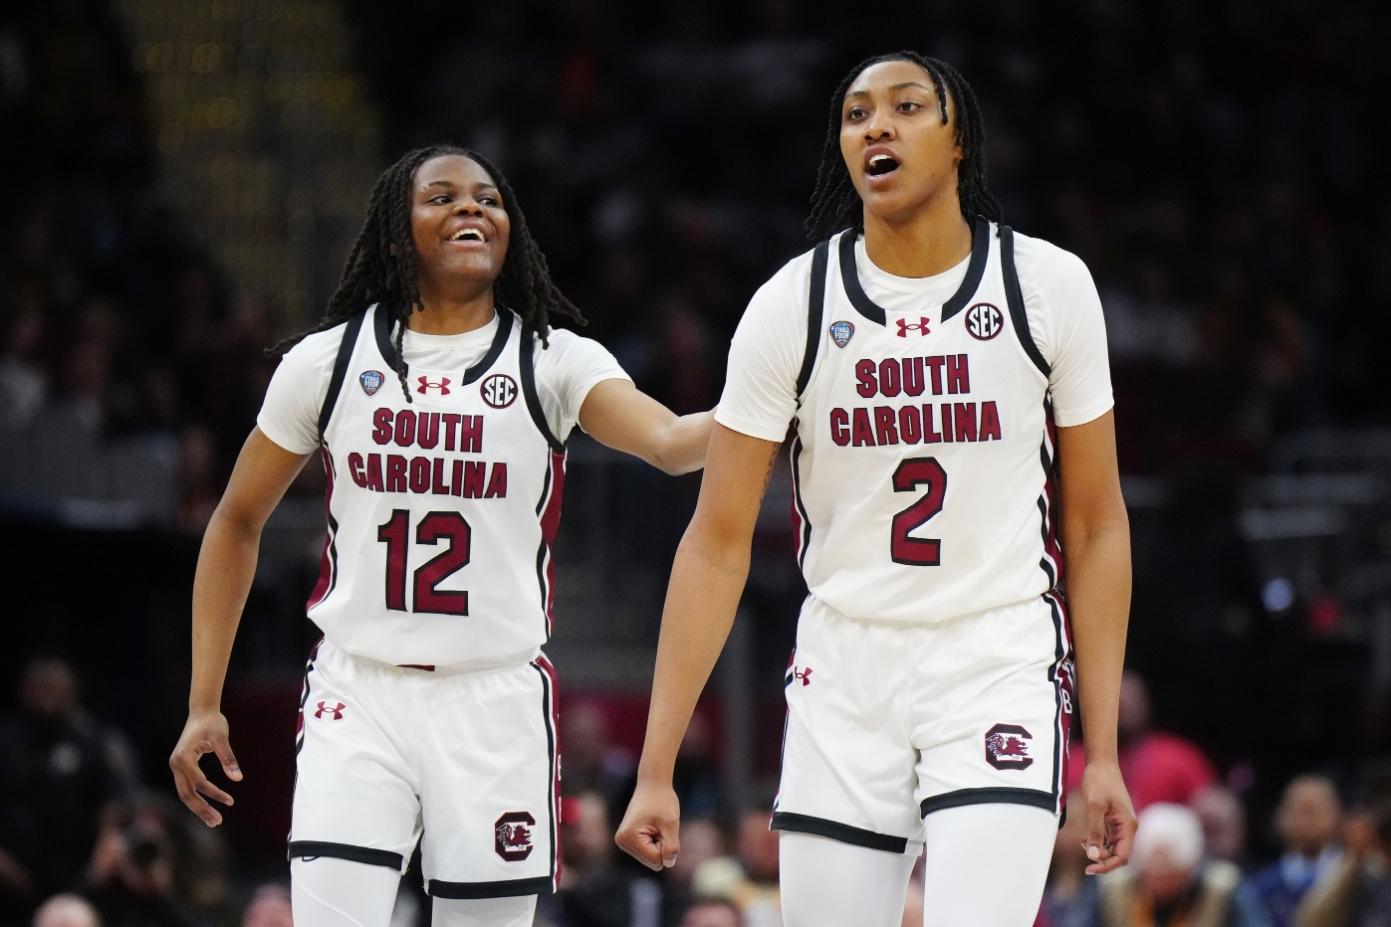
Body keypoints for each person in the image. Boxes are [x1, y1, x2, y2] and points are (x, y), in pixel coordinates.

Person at [615, 51, 1136, 926]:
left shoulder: (1046, 286)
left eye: (904, 107)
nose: (875, 127)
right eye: (855, 115)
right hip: (845, 668)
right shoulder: (792, 303)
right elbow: (715, 539)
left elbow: (1094, 523)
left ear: (958, 136)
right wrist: (655, 763)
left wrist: (1105, 750)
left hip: (996, 655)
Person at [168, 144, 712, 927]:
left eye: (488, 199)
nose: (471, 208)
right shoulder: (325, 362)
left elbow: (665, 441)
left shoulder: (552, 359)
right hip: (360, 690)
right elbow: (236, 518)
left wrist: (769, 410)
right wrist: (203, 700)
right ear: (396, 233)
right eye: (443, 196)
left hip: (491, 698)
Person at [1238, 775, 1343, 926]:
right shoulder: (1262, 887)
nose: (1305, 821)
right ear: (1279, 818)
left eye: (1312, 810)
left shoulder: (1358, 880)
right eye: (1297, 811)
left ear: (1336, 814)